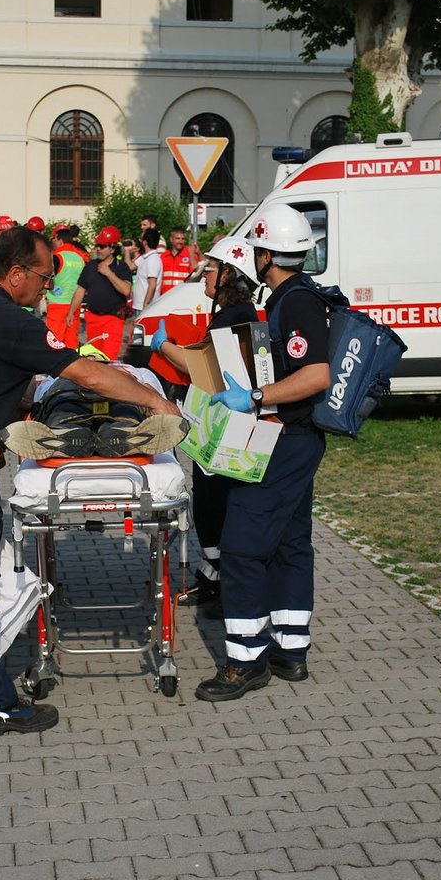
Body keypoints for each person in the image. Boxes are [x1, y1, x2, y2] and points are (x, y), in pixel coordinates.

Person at [0, 225, 182, 737]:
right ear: (17, 273)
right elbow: (88, 375)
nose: (48, 287)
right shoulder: (12, 321)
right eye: (45, 278)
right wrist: (154, 399)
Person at [191, 204, 331, 702]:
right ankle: (290, 651)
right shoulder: (293, 295)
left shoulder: (295, 301)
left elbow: (317, 374)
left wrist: (253, 398)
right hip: (301, 438)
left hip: (288, 441)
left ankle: (246, 660)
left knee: (243, 548)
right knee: (291, 544)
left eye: (255, 249)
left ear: (268, 253)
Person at [150, 234, 259, 604]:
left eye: (211, 269)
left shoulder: (233, 316)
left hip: (224, 429)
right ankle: (213, 575)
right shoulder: (236, 314)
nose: (206, 276)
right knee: (211, 502)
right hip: (224, 423)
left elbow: (203, 368)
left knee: (213, 502)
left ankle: (219, 581)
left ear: (228, 275)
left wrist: (164, 347)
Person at [4, 343, 187, 458]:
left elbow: (34, 401)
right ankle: (127, 431)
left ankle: (60, 433)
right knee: (127, 413)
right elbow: (153, 393)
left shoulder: (56, 374)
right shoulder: (128, 369)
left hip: (67, 398)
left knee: (61, 414)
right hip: (121, 393)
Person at [64, 225, 132, 360]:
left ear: (112, 248)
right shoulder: (90, 266)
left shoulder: (121, 267)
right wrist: (71, 311)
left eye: (102, 246)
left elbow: (126, 290)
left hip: (113, 319)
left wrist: (109, 274)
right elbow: (80, 289)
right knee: (95, 358)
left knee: (109, 359)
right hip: (93, 318)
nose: (98, 249)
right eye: (97, 245)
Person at [45, 224, 86, 348]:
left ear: (59, 239)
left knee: (53, 346)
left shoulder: (57, 258)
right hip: (74, 307)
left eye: (54, 240)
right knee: (70, 346)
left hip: (57, 306)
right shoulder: (80, 258)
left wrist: (53, 288)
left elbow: (47, 281)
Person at [131, 228, 164, 315]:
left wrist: (146, 304)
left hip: (145, 306)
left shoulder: (153, 259)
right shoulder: (145, 257)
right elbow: (130, 267)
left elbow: (152, 284)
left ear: (145, 242)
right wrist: (127, 251)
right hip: (138, 305)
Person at [160, 225, 200, 294]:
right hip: (165, 297)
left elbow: (197, 271)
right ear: (171, 239)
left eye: (183, 239)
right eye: (177, 238)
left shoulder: (190, 255)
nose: (180, 241)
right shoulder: (163, 256)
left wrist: (191, 254)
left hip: (182, 296)